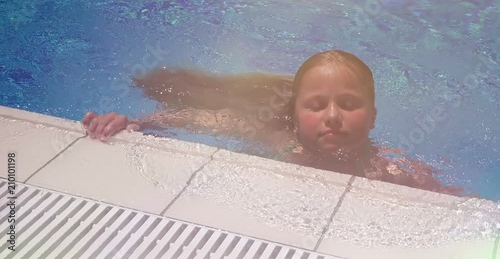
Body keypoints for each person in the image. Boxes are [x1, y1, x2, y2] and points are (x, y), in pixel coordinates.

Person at [82, 50, 463, 196]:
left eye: (348, 104)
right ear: (295, 117)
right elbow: (192, 118)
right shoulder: (275, 135)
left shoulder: (388, 167)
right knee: (170, 87)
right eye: (317, 106)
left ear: (374, 117)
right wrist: (133, 123)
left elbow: (455, 199)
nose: (333, 117)